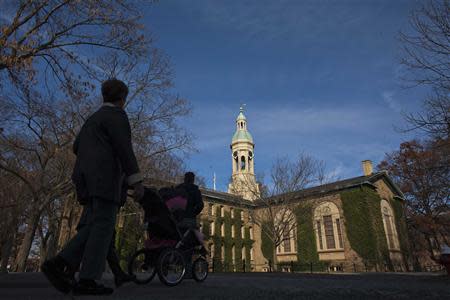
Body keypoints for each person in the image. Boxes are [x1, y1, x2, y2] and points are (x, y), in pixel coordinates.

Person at [41, 79, 144, 295]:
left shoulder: (93, 119)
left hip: (85, 179)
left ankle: (63, 266)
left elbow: (76, 146)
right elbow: (124, 148)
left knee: (94, 224)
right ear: (122, 99)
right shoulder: (117, 115)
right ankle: (84, 276)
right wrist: (136, 180)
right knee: (104, 226)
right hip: (105, 179)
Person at [176, 172, 204, 277]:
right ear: (193, 179)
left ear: (184, 179)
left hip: (177, 220)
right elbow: (200, 205)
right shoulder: (195, 190)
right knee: (189, 244)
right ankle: (186, 269)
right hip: (189, 220)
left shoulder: (178, 189)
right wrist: (193, 213)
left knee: (176, 241)